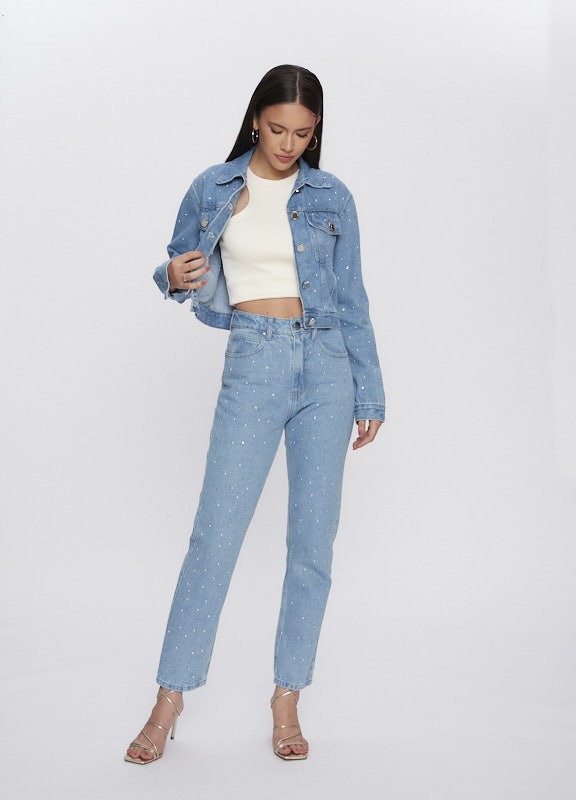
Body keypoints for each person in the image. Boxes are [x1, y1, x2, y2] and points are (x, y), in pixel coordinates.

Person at [125, 64, 385, 765]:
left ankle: (287, 698)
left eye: (303, 133)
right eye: (277, 129)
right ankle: (169, 699)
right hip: (254, 360)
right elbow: (176, 267)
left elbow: (353, 298)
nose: (289, 143)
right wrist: (170, 277)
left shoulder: (333, 196)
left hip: (328, 368)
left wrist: (369, 392)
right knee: (214, 539)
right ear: (254, 121)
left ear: (316, 131)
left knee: (312, 547)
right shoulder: (212, 187)